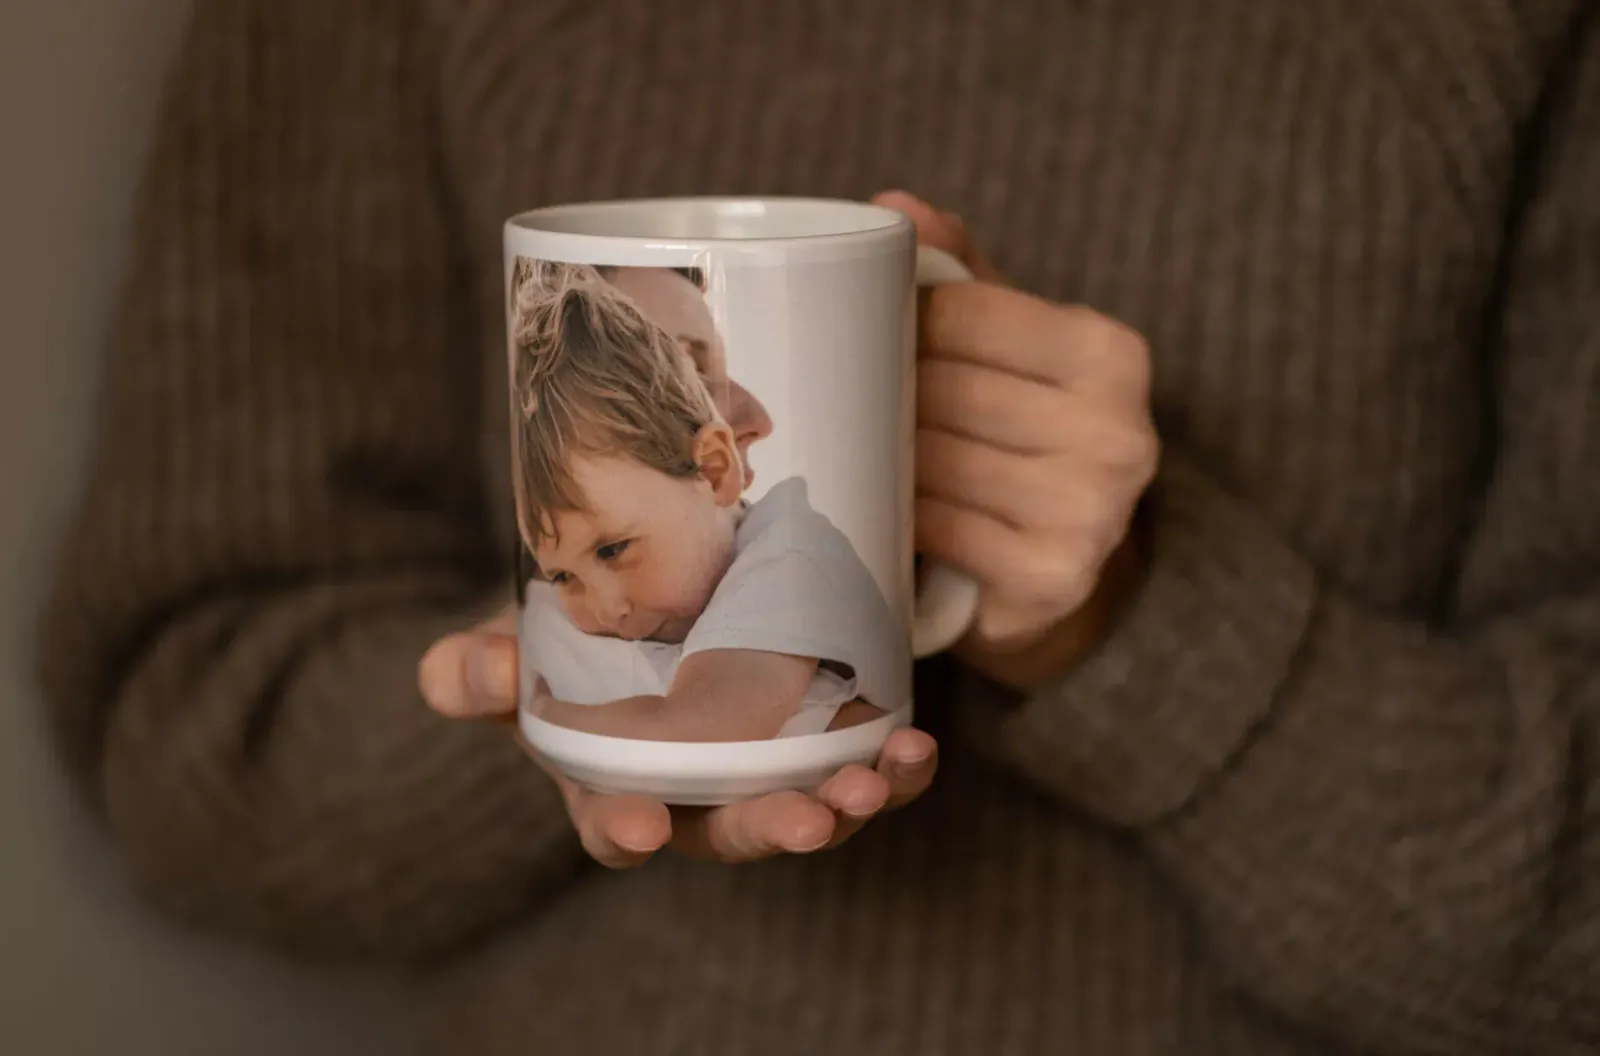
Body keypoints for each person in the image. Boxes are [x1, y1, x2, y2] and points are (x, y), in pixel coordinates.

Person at [34, 0, 1599, 1053]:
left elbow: (717, 702)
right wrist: (531, 709)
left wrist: (1138, 618)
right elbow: (187, 747)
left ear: (727, 462)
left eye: (609, 554)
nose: (589, 591)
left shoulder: (785, 552)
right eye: (555, 553)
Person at [509, 260, 902, 741]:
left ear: (713, 469)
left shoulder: (791, 556)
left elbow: (702, 726)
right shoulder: (563, 598)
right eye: (564, 576)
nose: (606, 611)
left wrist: (544, 718)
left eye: (613, 550)